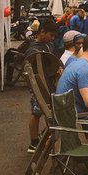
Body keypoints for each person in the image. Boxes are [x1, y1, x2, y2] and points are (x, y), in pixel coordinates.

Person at [23, 18, 60, 153]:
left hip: (50, 83)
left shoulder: (49, 45)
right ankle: (34, 142)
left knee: (48, 113)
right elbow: (29, 70)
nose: (52, 38)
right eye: (51, 35)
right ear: (42, 32)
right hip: (38, 86)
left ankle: (45, 138)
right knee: (37, 113)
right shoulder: (33, 49)